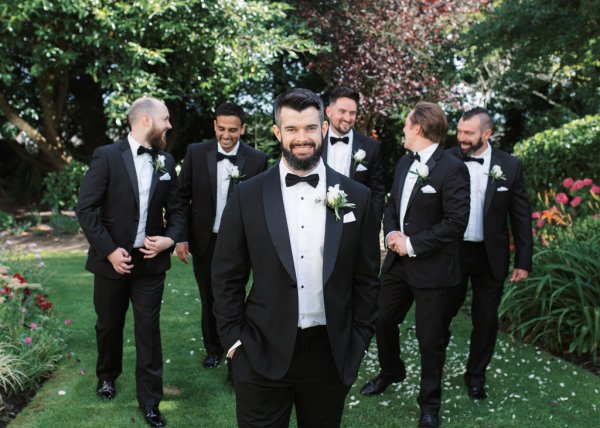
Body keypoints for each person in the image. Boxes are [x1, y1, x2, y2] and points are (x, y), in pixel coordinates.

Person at [211, 88, 380, 427]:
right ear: (278, 132)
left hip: (330, 353)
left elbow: (367, 279)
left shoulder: (357, 197)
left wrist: (358, 340)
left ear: (325, 129)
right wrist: (235, 342)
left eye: (310, 128)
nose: (301, 138)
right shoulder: (248, 195)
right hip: (261, 347)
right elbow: (225, 275)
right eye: (291, 129)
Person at [360, 102, 470, 428]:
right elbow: (393, 203)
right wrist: (392, 231)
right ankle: (392, 371)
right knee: (381, 321)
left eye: (407, 125)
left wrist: (411, 244)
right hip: (397, 266)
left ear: (419, 128)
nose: (403, 130)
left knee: (429, 339)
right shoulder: (404, 162)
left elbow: (455, 222)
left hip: (433, 270)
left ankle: (429, 406)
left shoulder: (452, 168)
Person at [76, 96, 184, 428]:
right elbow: (86, 208)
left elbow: (179, 209)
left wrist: (169, 239)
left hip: (150, 264)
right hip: (112, 261)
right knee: (108, 324)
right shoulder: (107, 156)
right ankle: (107, 374)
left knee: (148, 331)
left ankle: (151, 402)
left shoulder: (165, 160)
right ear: (146, 121)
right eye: (165, 119)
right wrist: (109, 250)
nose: (169, 125)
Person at [446, 107, 533, 400]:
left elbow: (521, 215)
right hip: (453, 252)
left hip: (489, 255)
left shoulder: (510, 166)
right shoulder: (446, 158)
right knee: (440, 315)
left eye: (468, 133)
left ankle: (475, 377)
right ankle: (433, 368)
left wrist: (523, 260)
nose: (461, 138)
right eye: (459, 131)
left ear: (487, 134)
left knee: (485, 320)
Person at [175, 102, 268, 371]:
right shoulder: (195, 152)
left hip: (239, 243)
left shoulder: (257, 160)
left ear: (243, 129)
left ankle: (234, 351)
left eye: (233, 130)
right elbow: (181, 198)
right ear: (214, 126)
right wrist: (181, 237)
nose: (226, 136)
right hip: (204, 240)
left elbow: (261, 206)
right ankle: (212, 349)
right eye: (221, 129)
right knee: (209, 297)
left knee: (233, 298)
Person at [323, 87, 385, 224]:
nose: (347, 118)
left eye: (352, 113)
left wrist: (372, 224)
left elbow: (377, 192)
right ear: (328, 111)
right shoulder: (314, 143)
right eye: (342, 112)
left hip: (356, 224)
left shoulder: (371, 147)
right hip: (318, 222)